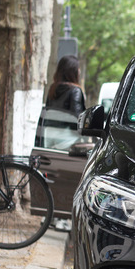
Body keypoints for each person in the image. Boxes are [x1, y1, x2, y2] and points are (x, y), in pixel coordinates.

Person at [45, 55, 85, 232]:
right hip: (67, 140)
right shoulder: (75, 91)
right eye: (77, 69)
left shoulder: (53, 89)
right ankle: (62, 218)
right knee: (68, 179)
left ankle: (51, 216)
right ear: (72, 71)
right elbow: (78, 117)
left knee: (52, 178)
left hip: (50, 138)